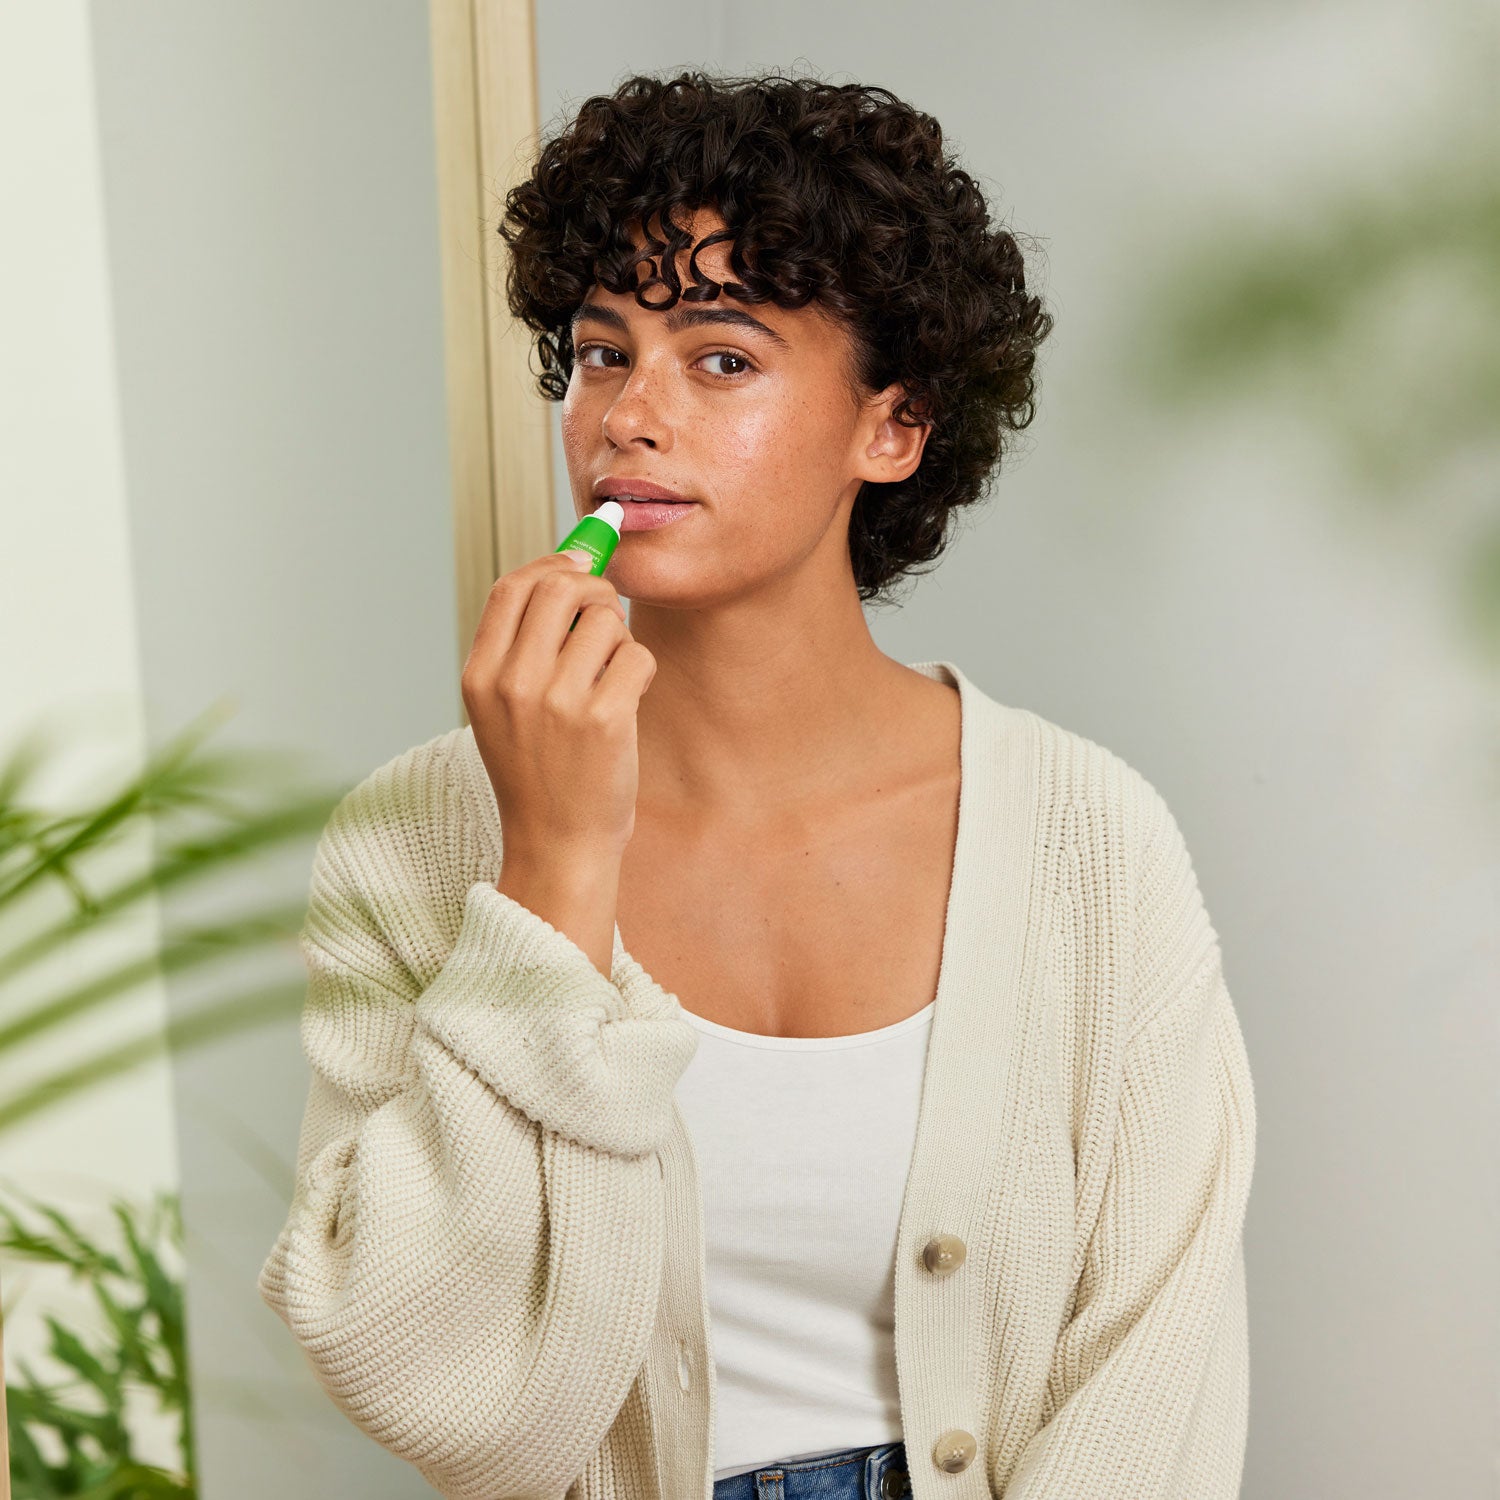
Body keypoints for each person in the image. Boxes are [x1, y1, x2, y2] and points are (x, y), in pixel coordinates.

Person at [258, 68, 1256, 1500]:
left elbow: (1155, 1386)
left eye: (720, 360)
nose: (628, 417)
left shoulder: (1093, 843)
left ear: (893, 429)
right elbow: (439, 1395)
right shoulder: (418, 843)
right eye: (602, 354)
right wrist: (548, 878)